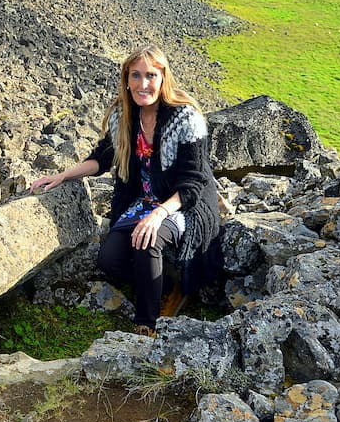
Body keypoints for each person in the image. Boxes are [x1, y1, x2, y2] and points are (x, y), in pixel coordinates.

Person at [30, 44, 221, 337]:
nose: (142, 84)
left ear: (162, 78)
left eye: (150, 76)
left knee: (148, 240)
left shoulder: (186, 118)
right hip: (141, 201)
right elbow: (103, 158)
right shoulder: (124, 115)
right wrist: (62, 176)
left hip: (182, 205)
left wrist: (158, 215)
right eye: (135, 75)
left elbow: (193, 183)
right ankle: (167, 285)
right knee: (109, 259)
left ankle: (147, 324)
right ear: (126, 78)